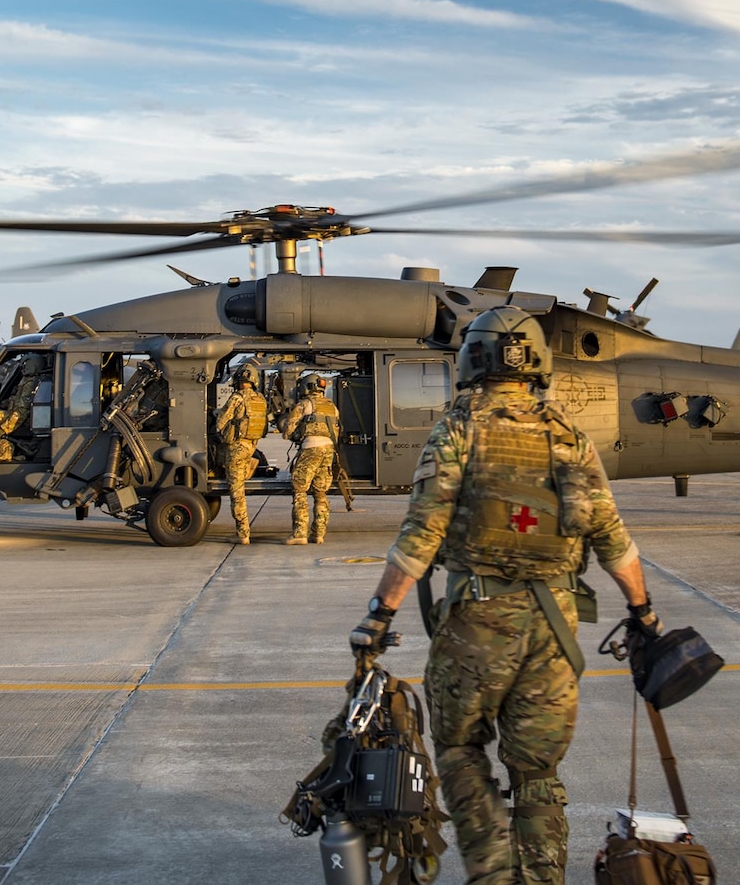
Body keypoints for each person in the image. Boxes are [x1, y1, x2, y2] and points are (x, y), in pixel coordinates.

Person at [350, 307, 658, 885]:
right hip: (555, 635)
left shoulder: (459, 430)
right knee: (537, 771)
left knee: (462, 751)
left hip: (477, 628)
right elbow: (615, 542)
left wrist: (379, 614)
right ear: (536, 361)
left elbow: (422, 534)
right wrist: (644, 612)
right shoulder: (569, 438)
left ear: (473, 360)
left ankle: (491, 875)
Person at [214, 362, 269, 545]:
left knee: (237, 492)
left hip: (236, 449)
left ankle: (243, 534)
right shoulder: (260, 399)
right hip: (252, 447)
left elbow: (221, 421)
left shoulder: (237, 398)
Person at [283, 374, 341, 546]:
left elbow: (288, 429)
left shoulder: (304, 404)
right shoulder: (332, 407)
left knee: (300, 490)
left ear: (306, 388)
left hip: (311, 448)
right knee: (321, 493)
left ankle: (300, 533)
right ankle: (318, 534)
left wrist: (293, 434)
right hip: (329, 450)